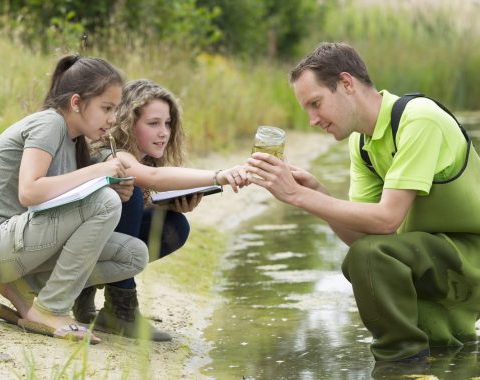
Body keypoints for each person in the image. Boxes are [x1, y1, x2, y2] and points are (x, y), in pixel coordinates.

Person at [246, 42, 480, 363]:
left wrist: (297, 194)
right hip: (436, 259)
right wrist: (317, 194)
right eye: (308, 110)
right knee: (364, 256)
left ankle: (399, 364)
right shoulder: (363, 143)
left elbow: (387, 220)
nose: (313, 120)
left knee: (370, 256)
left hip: (469, 258)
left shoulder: (419, 120)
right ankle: (414, 356)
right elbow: (365, 240)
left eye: (316, 104)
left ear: (346, 83)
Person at [0, 55, 149, 344]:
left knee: (134, 254)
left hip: (19, 246)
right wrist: (98, 172)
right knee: (104, 203)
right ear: (76, 103)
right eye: (106, 108)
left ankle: (23, 290)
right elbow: (30, 191)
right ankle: (51, 309)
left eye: (115, 109)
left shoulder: (74, 141)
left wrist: (109, 183)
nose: (112, 118)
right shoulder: (49, 124)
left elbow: (59, 201)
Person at [72, 79, 250, 341]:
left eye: (168, 123)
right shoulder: (113, 154)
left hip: (96, 244)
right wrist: (219, 176)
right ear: (129, 124)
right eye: (153, 123)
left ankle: (92, 292)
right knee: (129, 193)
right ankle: (121, 309)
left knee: (174, 226)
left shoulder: (140, 157)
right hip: (72, 248)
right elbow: (151, 179)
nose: (164, 132)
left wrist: (166, 204)